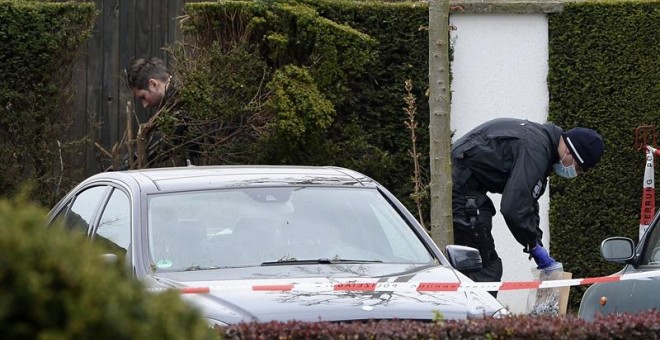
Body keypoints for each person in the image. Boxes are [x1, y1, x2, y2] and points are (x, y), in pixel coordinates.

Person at [451, 118, 604, 296]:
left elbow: (529, 201)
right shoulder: (536, 152)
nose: (575, 173)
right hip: (461, 186)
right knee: (485, 268)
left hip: (468, 185)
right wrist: (533, 245)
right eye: (577, 167)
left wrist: (536, 242)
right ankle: (473, 322)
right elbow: (513, 209)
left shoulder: (543, 145)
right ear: (569, 151)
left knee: (475, 254)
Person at [125, 57, 199, 167]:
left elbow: (156, 146)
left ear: (153, 84)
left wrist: (122, 167)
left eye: (143, 97)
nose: (145, 105)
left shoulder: (181, 103)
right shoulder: (179, 96)